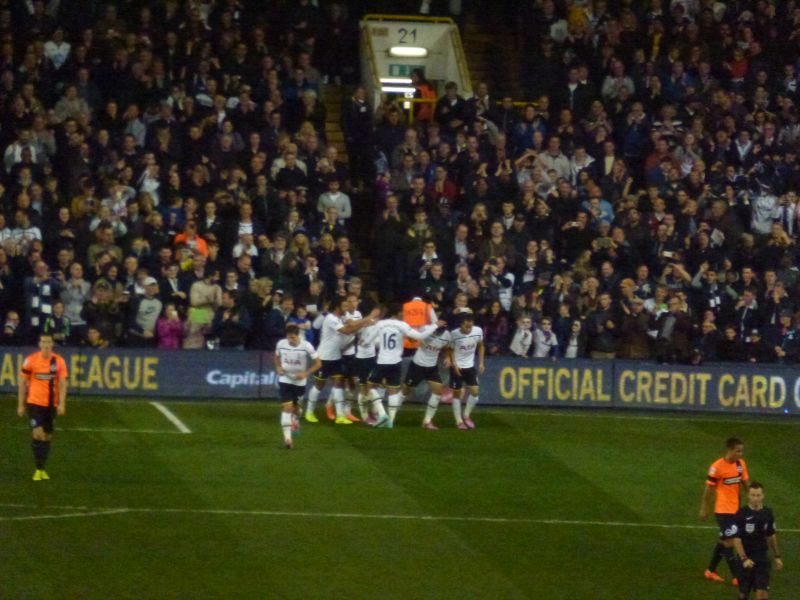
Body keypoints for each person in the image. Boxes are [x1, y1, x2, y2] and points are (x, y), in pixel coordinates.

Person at [360, 303, 442, 428]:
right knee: (393, 391)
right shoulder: (402, 325)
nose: (404, 314)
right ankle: (390, 422)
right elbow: (419, 336)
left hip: (382, 361)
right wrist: (435, 325)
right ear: (397, 313)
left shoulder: (380, 324)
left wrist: (364, 342)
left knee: (370, 386)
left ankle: (382, 414)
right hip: (396, 362)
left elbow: (368, 342)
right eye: (402, 312)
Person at [305, 296, 379, 424]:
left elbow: (353, 325)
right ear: (337, 307)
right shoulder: (331, 319)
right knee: (319, 385)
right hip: (324, 357)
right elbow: (347, 330)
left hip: (336, 357)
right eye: (344, 306)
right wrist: (369, 318)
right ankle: (309, 412)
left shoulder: (342, 317)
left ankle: (340, 416)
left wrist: (365, 321)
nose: (347, 308)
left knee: (338, 384)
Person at [17, 333, 69, 481]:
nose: (46, 345)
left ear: (52, 344)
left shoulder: (58, 361)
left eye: (48, 342)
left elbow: (63, 383)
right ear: (39, 344)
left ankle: (41, 468)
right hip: (34, 403)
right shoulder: (31, 360)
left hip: (51, 405)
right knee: (38, 433)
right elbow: (22, 382)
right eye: (43, 342)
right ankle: (38, 468)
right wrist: (21, 405)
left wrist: (62, 403)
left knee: (47, 437)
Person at [700, 437, 750, 585]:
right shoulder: (717, 467)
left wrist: (752, 499)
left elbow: (745, 482)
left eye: (741, 451)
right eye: (738, 451)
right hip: (722, 511)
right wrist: (704, 507)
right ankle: (737, 576)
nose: (740, 454)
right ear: (729, 450)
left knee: (723, 541)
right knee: (730, 542)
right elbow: (709, 489)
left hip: (736, 510)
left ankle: (710, 570)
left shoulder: (740, 465)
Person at [732, 482, 784, 600]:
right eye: (753, 495)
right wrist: (744, 558)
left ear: (763, 496)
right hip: (745, 558)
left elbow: (771, 535)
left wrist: (777, 556)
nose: (756, 498)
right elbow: (736, 539)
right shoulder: (741, 514)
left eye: (758, 495)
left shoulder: (768, 513)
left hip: (762, 559)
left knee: (762, 594)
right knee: (743, 595)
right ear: (748, 496)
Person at [274, 324, 321, 449]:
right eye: (289, 338)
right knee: (287, 408)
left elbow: (318, 363)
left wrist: (306, 373)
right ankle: (288, 439)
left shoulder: (307, 346)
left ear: (298, 335)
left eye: (293, 338)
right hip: (285, 379)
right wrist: (278, 367)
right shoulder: (281, 344)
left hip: (300, 382)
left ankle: (295, 419)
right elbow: (277, 357)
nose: (290, 340)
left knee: (297, 410)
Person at [400, 322, 452, 430]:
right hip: (417, 365)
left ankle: (427, 421)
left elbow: (447, 347)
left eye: (441, 331)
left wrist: (447, 357)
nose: (438, 333)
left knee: (437, 392)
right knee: (405, 391)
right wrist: (413, 338)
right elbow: (412, 338)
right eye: (438, 330)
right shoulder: (426, 329)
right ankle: (391, 415)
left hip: (432, 367)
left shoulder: (447, 335)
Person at [447, 312, 485, 429]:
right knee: (457, 394)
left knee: (475, 392)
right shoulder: (454, 334)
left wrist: (481, 363)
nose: (469, 329)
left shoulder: (478, 331)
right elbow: (449, 349)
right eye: (466, 326)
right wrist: (454, 364)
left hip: (470, 366)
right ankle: (459, 421)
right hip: (457, 367)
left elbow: (481, 345)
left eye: (470, 326)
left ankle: (466, 415)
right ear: (461, 325)